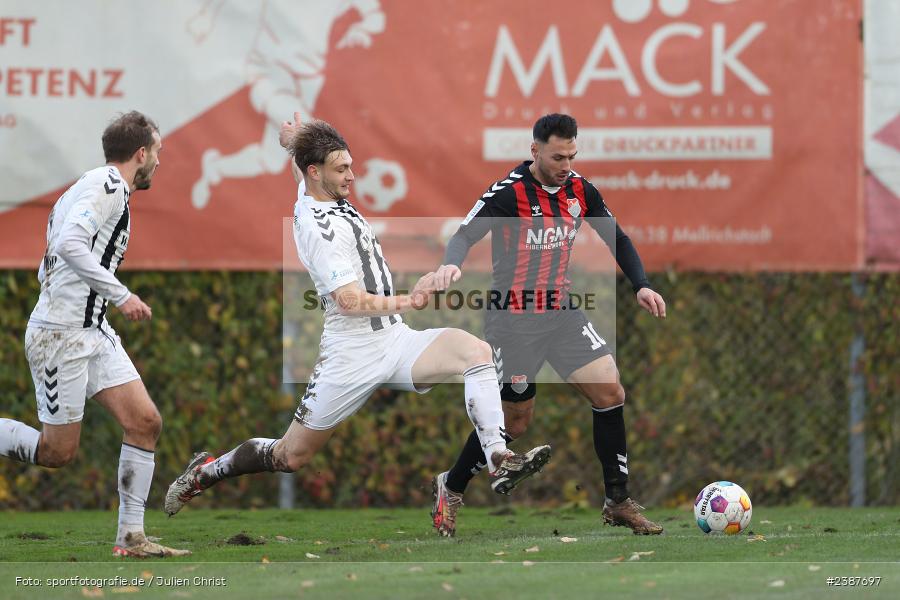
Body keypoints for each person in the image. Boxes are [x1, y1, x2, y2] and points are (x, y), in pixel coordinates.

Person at [165, 115, 551, 518]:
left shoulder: (317, 188)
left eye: (350, 165)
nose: (352, 176)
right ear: (316, 173)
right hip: (351, 353)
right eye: (342, 169)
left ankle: (498, 457)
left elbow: (305, 161)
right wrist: (411, 300)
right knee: (290, 455)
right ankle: (207, 473)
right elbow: (349, 301)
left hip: (395, 340)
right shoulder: (319, 229)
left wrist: (295, 139)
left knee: (476, 353)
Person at [430, 114, 667, 537]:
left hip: (561, 314)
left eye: (572, 155)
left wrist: (641, 286)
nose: (566, 164)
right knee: (516, 423)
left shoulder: (580, 189)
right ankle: (450, 485)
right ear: (534, 150)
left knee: (610, 390)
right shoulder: (509, 192)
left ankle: (617, 500)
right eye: (558, 156)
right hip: (513, 322)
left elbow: (619, 239)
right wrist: (451, 263)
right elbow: (464, 235)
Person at [0, 112, 189, 558]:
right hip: (61, 336)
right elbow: (68, 244)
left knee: (145, 422)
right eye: (157, 152)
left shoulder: (97, 187)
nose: (159, 162)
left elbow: (55, 252)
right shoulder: (104, 188)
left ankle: (131, 538)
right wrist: (120, 294)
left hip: (92, 329)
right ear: (141, 154)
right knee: (55, 453)